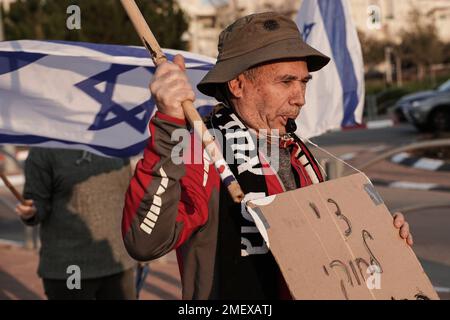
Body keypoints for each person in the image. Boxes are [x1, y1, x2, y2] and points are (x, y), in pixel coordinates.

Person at [121, 12, 413, 299]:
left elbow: (332, 245)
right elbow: (145, 242)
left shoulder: (298, 152)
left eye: (304, 82)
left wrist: (381, 237)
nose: (300, 97)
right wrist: (169, 123)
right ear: (237, 84)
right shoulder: (202, 152)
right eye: (286, 82)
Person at [15, 148, 136, 300]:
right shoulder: (45, 147)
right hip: (70, 265)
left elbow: (127, 195)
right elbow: (36, 200)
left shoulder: (113, 137)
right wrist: (31, 211)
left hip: (118, 261)